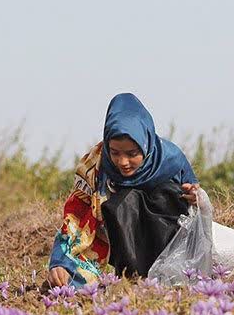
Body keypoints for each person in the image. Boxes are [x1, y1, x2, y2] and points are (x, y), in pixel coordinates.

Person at [46, 93, 201, 288]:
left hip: (169, 243)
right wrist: (61, 262)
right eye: (115, 152)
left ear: (145, 144)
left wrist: (195, 197)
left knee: (163, 194)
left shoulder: (171, 159)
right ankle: (130, 279)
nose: (123, 162)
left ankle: (165, 279)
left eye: (132, 154)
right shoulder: (97, 165)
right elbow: (76, 216)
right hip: (122, 245)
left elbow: (196, 203)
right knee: (123, 203)